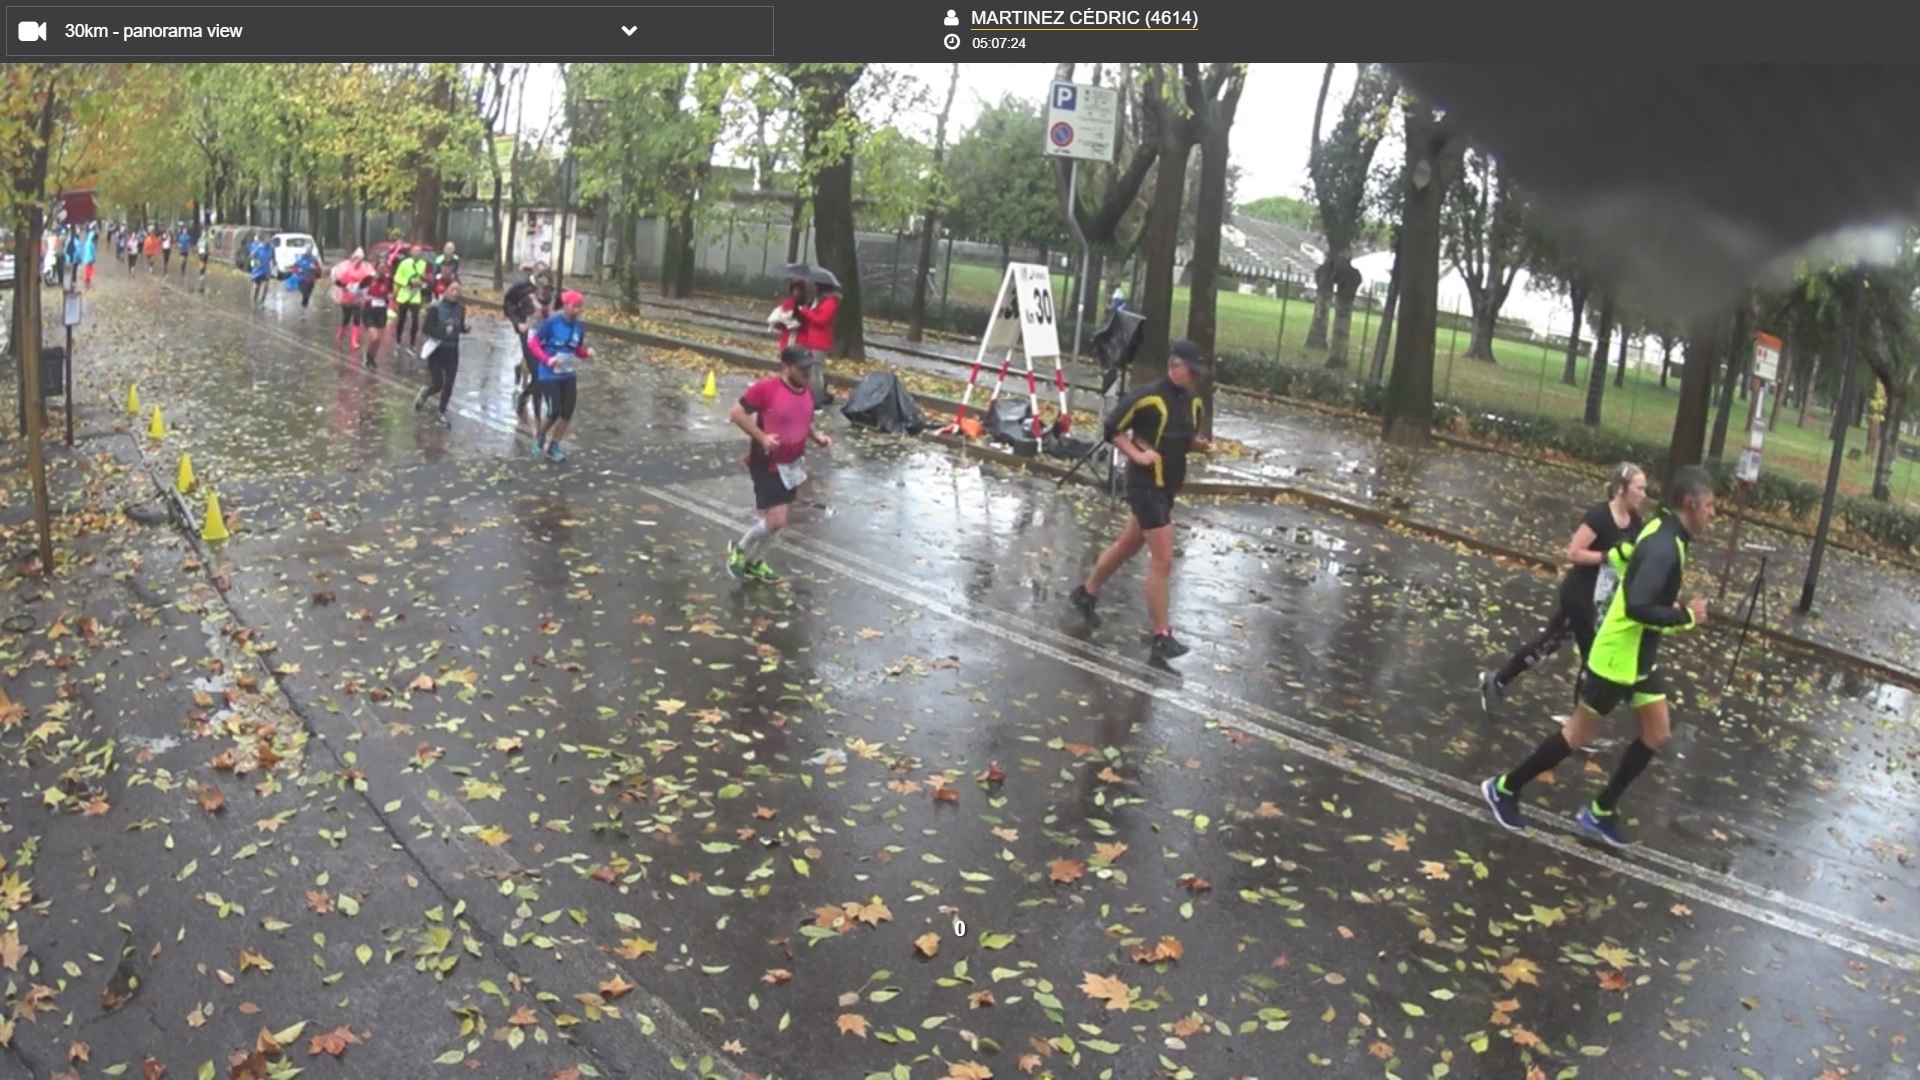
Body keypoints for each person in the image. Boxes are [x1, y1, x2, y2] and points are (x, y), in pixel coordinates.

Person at [1482, 465, 1718, 847]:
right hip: (1614, 659)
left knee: (1657, 734)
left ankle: (1600, 811)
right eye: (1710, 506)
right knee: (1577, 734)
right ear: (1690, 504)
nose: (1713, 514)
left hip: (1640, 658)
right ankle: (1504, 788)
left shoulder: (1660, 530)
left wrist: (1663, 598)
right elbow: (1639, 607)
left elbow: (1628, 560)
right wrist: (1686, 616)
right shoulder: (1663, 545)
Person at [1068, 339, 1211, 662]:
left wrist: (1196, 445)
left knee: (1128, 544)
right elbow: (1111, 428)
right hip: (1144, 485)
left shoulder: (1193, 403)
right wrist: (1136, 454)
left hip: (1168, 487)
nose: (1196, 378)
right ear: (1175, 367)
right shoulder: (1148, 396)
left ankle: (1086, 593)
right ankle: (1162, 635)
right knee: (1163, 560)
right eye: (1192, 372)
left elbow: (1180, 439)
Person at [1479, 463, 1648, 711]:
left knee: (1550, 641)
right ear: (1622, 489)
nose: (1644, 494)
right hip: (1580, 594)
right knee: (1593, 655)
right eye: (1640, 488)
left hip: (1603, 598)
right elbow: (1574, 553)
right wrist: (1606, 556)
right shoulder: (1599, 516)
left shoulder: (1635, 521)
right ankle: (1579, 723)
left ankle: (1498, 679)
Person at [726, 347, 831, 583]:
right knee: (777, 519)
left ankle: (755, 562)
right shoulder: (767, 388)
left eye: (810, 368)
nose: (808, 373)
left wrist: (817, 438)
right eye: (802, 369)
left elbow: (805, 420)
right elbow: (736, 413)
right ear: (786, 367)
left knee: (777, 522)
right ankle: (739, 551)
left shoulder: (807, 392)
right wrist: (762, 437)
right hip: (767, 460)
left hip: (792, 464)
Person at [525, 290, 590, 462]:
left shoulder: (578, 325)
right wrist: (547, 359)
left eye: (579, 307)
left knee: (567, 412)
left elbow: (576, 349)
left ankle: (554, 445)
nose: (577, 310)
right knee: (554, 411)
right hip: (549, 375)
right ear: (566, 305)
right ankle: (540, 436)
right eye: (574, 306)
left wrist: (586, 353)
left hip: (568, 374)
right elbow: (533, 343)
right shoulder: (552, 322)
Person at [413, 279, 470, 426]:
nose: (456, 293)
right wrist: (442, 330)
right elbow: (427, 329)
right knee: (438, 383)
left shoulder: (461, 309)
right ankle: (425, 393)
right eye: (452, 290)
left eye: (458, 290)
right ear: (444, 291)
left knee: (450, 382)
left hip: (452, 349)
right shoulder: (435, 308)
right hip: (437, 349)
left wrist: (465, 328)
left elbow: (460, 327)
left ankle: (442, 411)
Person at [503, 262, 545, 427]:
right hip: (528, 332)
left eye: (545, 273)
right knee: (537, 373)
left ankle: (525, 394)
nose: (542, 277)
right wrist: (517, 323)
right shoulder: (522, 287)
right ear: (534, 272)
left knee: (541, 373)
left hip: (545, 334)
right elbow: (508, 305)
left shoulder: (548, 291)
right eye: (539, 272)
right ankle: (537, 414)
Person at [792, 280, 839, 411]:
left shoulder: (831, 302)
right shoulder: (821, 301)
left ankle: (816, 401)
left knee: (816, 372)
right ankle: (810, 397)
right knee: (812, 370)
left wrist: (806, 312)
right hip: (813, 340)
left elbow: (821, 320)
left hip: (820, 341)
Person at [392, 245, 430, 352]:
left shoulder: (423, 264)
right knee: (401, 320)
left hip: (415, 296)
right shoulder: (404, 263)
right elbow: (397, 278)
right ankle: (398, 341)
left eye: (420, 251)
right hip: (404, 295)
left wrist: (422, 283)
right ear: (411, 252)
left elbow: (424, 277)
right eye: (416, 251)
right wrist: (408, 282)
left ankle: (412, 344)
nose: (418, 253)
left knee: (415, 321)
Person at [331, 249, 371, 348]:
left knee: (357, 318)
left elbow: (367, 281)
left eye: (361, 259)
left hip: (357, 298)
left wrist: (363, 289)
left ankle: (354, 341)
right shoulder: (346, 267)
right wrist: (346, 286)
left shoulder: (364, 268)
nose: (359, 261)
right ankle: (340, 333)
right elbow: (338, 281)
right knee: (346, 318)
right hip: (346, 298)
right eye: (357, 259)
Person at [359, 263, 394, 368]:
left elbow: (391, 292)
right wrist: (364, 297)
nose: (383, 270)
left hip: (381, 310)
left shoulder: (388, 280)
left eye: (385, 268)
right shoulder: (369, 278)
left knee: (378, 340)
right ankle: (368, 356)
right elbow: (359, 289)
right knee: (374, 337)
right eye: (381, 268)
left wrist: (389, 296)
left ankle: (372, 359)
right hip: (369, 310)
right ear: (376, 268)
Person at [290, 248, 321, 314]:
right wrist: (298, 270)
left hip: (311, 281)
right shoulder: (300, 259)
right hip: (302, 280)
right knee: (305, 295)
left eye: (309, 251)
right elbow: (294, 268)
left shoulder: (313, 259)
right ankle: (302, 310)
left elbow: (319, 271)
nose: (307, 252)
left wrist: (315, 268)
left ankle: (303, 309)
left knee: (307, 297)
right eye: (306, 250)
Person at [247, 235, 273, 305]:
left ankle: (262, 301)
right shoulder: (259, 248)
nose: (268, 242)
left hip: (266, 270)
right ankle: (254, 300)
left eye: (269, 240)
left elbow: (272, 259)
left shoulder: (270, 248)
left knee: (266, 286)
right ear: (264, 241)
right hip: (258, 270)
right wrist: (255, 263)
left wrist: (272, 268)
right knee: (257, 287)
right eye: (267, 240)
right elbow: (251, 256)